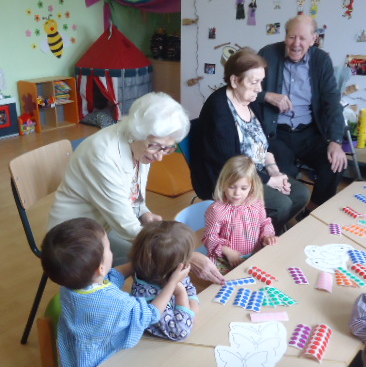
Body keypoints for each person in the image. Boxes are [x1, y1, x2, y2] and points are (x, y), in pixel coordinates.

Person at [48, 92, 225, 285]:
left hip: (104, 224)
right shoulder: (103, 155)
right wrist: (185, 256)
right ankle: (140, 303)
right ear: (136, 133)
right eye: (155, 146)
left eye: (168, 148)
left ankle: (149, 300)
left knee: (158, 256)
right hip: (73, 237)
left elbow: (134, 194)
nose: (160, 157)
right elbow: (125, 225)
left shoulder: (142, 145)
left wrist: (144, 213)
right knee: (158, 260)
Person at [40, 217, 189, 367]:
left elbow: (109, 278)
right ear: (100, 268)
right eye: (109, 248)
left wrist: (136, 264)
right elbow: (151, 314)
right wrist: (172, 284)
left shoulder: (70, 287)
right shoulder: (117, 304)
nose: (111, 251)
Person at [191, 47, 311, 234]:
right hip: (230, 179)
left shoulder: (249, 101)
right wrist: (269, 180)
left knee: (300, 194)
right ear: (234, 81)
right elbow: (230, 164)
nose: (260, 89)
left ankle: (260, 231)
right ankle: (253, 238)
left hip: (257, 171)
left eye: (261, 81)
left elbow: (263, 144)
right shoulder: (219, 110)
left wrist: (274, 171)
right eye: (254, 82)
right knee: (280, 205)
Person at [257, 15, 348, 216]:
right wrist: (267, 96)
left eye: (302, 38)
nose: (296, 44)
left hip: (309, 132)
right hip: (276, 132)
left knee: (334, 164)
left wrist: (336, 141)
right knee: (283, 173)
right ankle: (283, 215)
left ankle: (312, 211)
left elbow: (332, 102)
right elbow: (246, 89)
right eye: (291, 37)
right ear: (285, 36)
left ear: (314, 39)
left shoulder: (321, 60)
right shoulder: (267, 54)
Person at [204, 155, 278, 273]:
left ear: (252, 186)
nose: (237, 193)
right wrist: (227, 251)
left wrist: (267, 236)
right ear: (223, 184)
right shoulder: (217, 210)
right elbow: (210, 237)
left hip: (253, 255)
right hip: (225, 261)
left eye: (243, 188)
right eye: (232, 187)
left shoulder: (256, 203)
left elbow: (264, 223)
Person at [130, 221, 199, 341]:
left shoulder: (172, 275)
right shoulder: (149, 299)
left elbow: (189, 287)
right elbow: (181, 332)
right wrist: (181, 293)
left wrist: (192, 308)